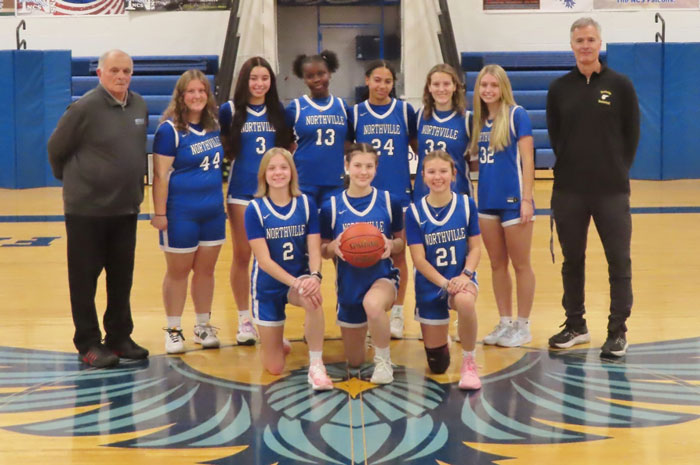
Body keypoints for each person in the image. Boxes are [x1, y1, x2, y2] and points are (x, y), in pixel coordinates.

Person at [48, 49, 149, 368]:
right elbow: (56, 148)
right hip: (86, 212)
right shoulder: (85, 107)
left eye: (127, 71)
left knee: (121, 278)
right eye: (115, 70)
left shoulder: (140, 105)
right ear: (100, 73)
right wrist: (78, 183)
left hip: (125, 209)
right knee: (84, 279)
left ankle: (118, 337)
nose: (121, 76)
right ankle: (88, 342)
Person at [546, 17, 639, 357]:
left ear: (600, 43)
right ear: (571, 45)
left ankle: (617, 332)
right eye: (579, 40)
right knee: (572, 260)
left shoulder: (620, 85)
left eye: (590, 39)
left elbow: (632, 135)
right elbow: (556, 136)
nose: (585, 45)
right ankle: (575, 324)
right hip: (569, 190)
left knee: (618, 260)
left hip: (611, 191)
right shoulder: (559, 89)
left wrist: (614, 168)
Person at [244, 147, 333, 390]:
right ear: (264, 174)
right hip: (267, 286)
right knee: (274, 368)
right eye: (272, 168)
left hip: (299, 278)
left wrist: (314, 276)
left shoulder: (305, 203)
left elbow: (314, 250)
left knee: (313, 298)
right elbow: (264, 261)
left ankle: (316, 365)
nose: (278, 173)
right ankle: (273, 337)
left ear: (292, 172)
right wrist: (295, 282)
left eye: (283, 167)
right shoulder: (255, 209)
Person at [150, 69, 226, 354]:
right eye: (191, 91)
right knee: (178, 272)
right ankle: (173, 330)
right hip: (181, 212)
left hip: (212, 211)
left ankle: (203, 326)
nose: (197, 96)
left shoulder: (215, 126)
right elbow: (160, 175)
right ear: (181, 97)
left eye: (202, 91)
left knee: (206, 271)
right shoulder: (170, 130)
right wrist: (160, 214)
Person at [219, 57, 293, 346]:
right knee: (242, 255)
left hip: (274, 195)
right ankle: (244, 319)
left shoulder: (280, 112)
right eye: (254, 78)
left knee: (273, 257)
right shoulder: (231, 110)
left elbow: (287, 150)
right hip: (241, 192)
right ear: (244, 81)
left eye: (264, 78)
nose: (259, 83)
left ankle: (272, 320)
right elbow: (225, 146)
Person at [320, 143, 404, 384]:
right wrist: (333, 247)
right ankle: (371, 330)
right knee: (355, 361)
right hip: (348, 285)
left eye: (369, 166)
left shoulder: (390, 201)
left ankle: (383, 360)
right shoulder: (331, 207)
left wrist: (390, 245)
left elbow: (400, 243)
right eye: (357, 165)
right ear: (347, 167)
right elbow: (324, 251)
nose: (363, 172)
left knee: (373, 304)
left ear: (376, 169)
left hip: (382, 277)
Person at [469, 64, 536, 348]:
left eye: (493, 86)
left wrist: (527, 199)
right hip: (486, 201)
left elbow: (529, 162)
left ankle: (523, 325)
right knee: (497, 265)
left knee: (521, 264)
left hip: (513, 202)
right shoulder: (477, 120)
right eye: (484, 85)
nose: (488, 90)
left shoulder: (517, 115)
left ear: (503, 88)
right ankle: (505, 321)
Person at [352, 60, 417, 339]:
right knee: (364, 254)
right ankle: (368, 314)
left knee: (399, 255)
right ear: (367, 80)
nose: (382, 86)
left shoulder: (404, 111)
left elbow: (419, 148)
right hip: (365, 198)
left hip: (398, 194)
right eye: (377, 80)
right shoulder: (354, 114)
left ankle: (399, 314)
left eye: (388, 81)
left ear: (393, 84)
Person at [406, 151, 482, 390]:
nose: (437, 177)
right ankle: (442, 340)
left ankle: (469, 362)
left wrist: (465, 275)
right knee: (437, 365)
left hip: (461, 279)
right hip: (431, 285)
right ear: (422, 176)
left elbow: (476, 248)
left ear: (453, 174)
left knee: (466, 302)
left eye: (443, 171)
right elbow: (418, 260)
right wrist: (444, 283)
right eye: (431, 172)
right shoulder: (415, 212)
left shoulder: (467, 205)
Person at [286, 50, 351, 208]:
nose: (316, 79)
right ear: (304, 79)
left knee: (331, 229)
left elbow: (348, 142)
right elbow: (285, 142)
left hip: (335, 181)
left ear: (330, 73)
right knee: (307, 230)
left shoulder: (342, 106)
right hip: (304, 182)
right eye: (310, 76)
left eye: (321, 73)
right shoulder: (296, 107)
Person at [414, 63, 472, 202]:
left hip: (457, 191)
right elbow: (416, 147)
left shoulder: (468, 119)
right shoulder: (420, 115)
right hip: (423, 191)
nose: (441, 89)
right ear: (429, 87)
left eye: (446, 84)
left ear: (454, 86)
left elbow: (475, 157)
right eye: (436, 84)